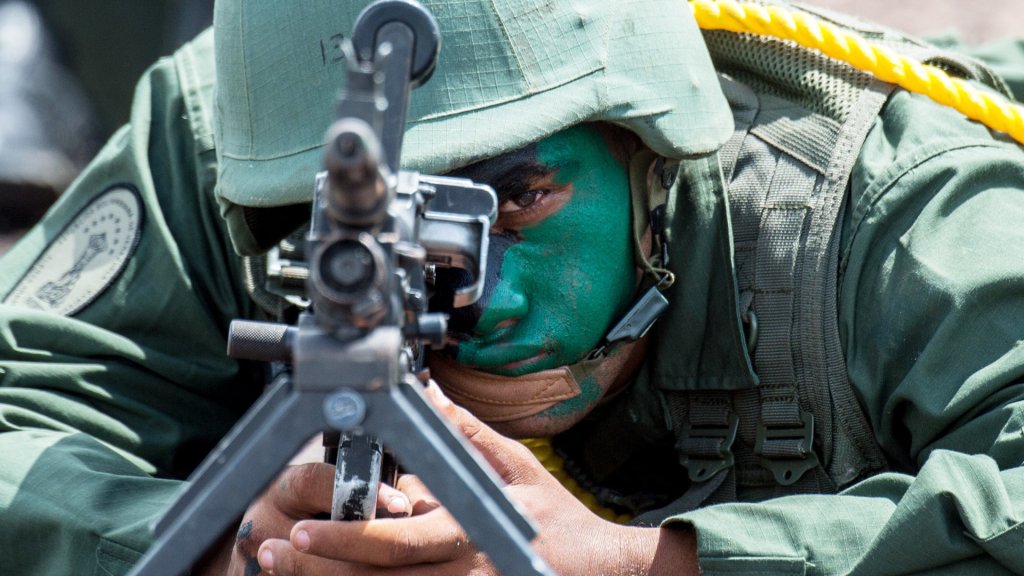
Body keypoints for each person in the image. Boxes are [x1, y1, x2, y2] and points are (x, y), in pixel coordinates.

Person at [1, 0, 1024, 575]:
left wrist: (645, 565)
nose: (479, 305)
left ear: (647, 148)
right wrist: (231, 548)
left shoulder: (891, 207)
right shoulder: (241, 144)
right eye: (370, 235)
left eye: (520, 202)